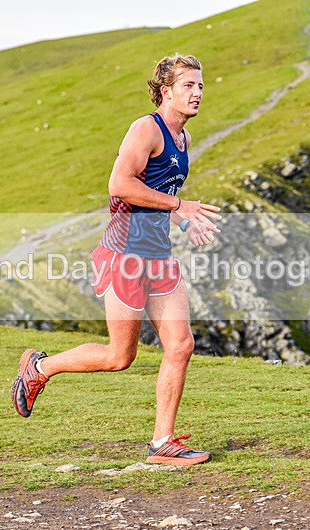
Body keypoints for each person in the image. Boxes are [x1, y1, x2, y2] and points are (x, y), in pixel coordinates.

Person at [11, 53, 222, 466]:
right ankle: (40, 367)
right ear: (166, 91)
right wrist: (181, 203)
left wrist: (182, 221)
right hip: (125, 255)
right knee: (119, 357)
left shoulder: (184, 140)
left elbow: (154, 193)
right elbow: (120, 185)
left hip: (159, 255)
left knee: (180, 345)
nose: (198, 93)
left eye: (201, 86)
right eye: (188, 86)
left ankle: (162, 444)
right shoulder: (146, 130)